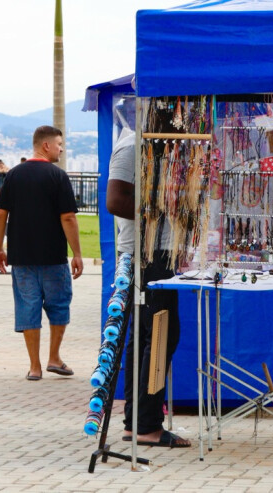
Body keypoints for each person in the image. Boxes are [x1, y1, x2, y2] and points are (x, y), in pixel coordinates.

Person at [106, 114, 189, 448]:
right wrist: (165, 209)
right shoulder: (132, 147)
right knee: (158, 336)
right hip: (145, 255)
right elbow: (115, 200)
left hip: (157, 254)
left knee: (146, 338)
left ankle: (137, 422)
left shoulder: (157, 147)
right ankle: (147, 426)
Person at [0, 125, 83, 381]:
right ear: (46, 145)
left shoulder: (13, 175)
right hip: (54, 256)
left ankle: (35, 367)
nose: (61, 149)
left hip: (21, 257)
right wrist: (77, 253)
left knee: (28, 307)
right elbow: (68, 217)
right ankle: (54, 357)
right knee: (59, 305)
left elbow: (0, 215)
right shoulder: (58, 176)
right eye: (59, 144)